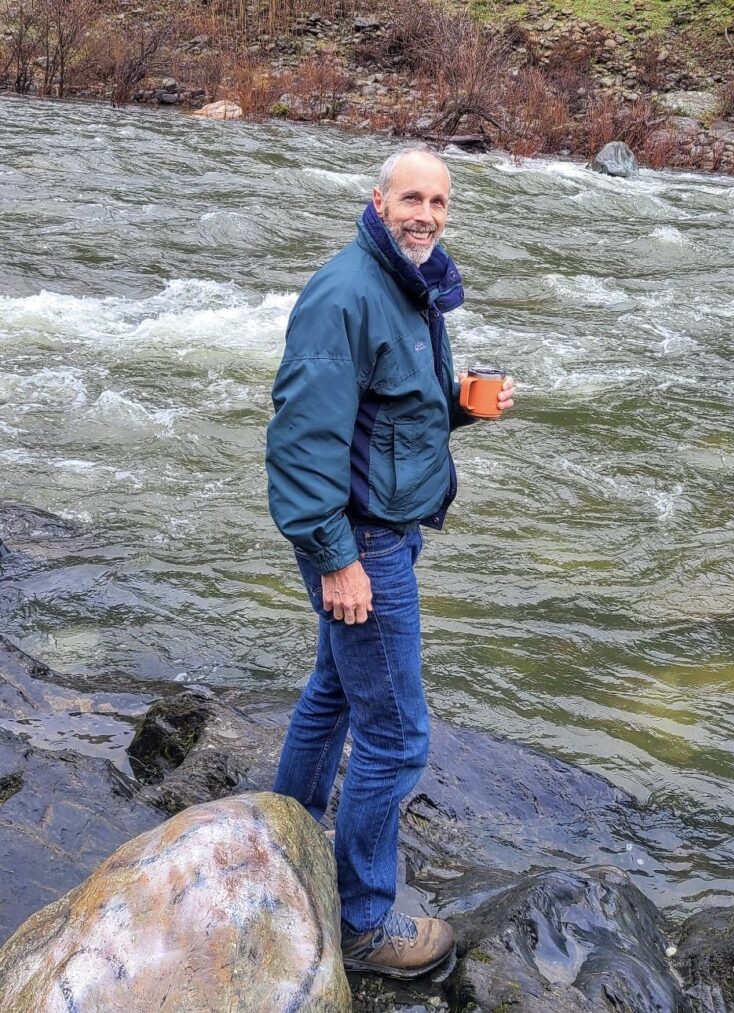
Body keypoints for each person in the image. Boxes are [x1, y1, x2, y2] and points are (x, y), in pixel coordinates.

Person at [265, 144, 514, 978]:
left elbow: (392, 410)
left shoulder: (409, 285)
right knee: (398, 736)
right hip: (360, 539)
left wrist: (462, 410)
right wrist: (338, 559)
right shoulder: (345, 293)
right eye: (412, 198)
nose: (427, 215)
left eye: (439, 202)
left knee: (334, 689)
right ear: (377, 200)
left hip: (381, 530)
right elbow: (301, 445)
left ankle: (283, 829)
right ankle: (366, 922)